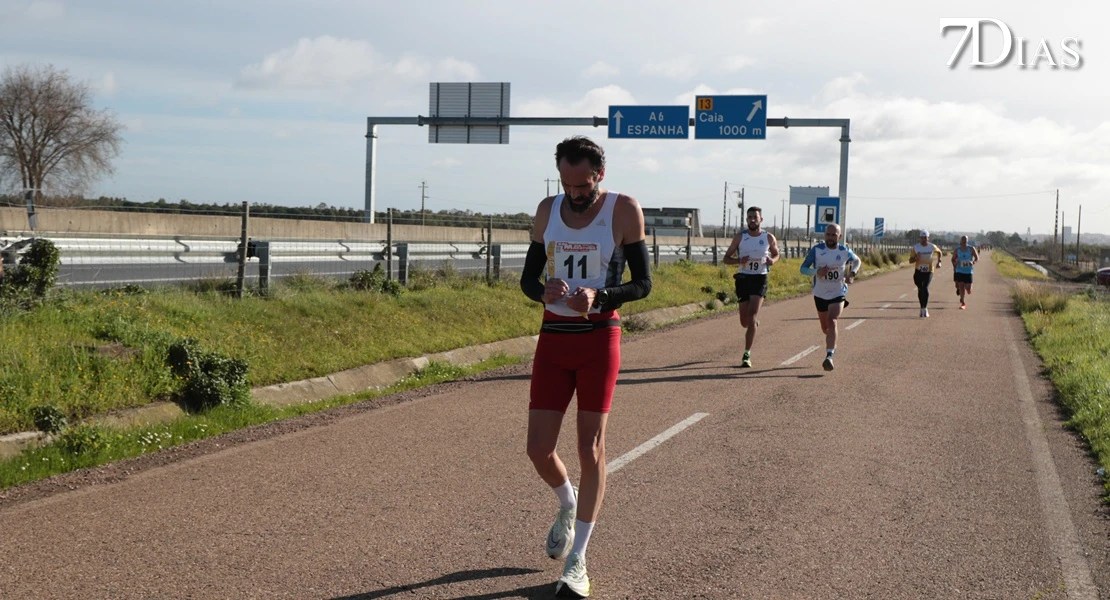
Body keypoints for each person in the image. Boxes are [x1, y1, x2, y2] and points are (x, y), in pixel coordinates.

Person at [519, 136, 652, 599]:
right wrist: (544, 292)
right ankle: (566, 502)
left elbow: (644, 285)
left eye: (584, 183)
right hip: (554, 337)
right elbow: (526, 279)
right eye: (567, 183)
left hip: (599, 338)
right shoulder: (546, 210)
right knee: (538, 449)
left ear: (601, 174)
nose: (575, 192)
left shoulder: (623, 210)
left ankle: (578, 560)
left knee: (590, 446)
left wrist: (602, 296)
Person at [722, 206, 780, 367]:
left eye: (755, 217)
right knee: (744, 321)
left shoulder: (768, 237)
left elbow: (776, 254)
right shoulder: (740, 237)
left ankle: (746, 354)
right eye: (749, 217)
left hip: (760, 279)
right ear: (747, 220)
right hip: (743, 278)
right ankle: (752, 325)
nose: (752, 220)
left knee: (752, 315)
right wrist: (738, 261)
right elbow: (726, 258)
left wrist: (772, 261)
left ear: (761, 219)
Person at [800, 223, 861, 371]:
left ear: (839, 236)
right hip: (820, 294)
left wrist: (852, 274)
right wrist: (816, 272)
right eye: (828, 234)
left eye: (834, 235)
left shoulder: (844, 251)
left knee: (832, 321)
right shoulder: (817, 250)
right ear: (824, 235)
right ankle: (831, 339)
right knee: (825, 327)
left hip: (838, 293)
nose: (831, 237)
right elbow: (803, 269)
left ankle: (829, 356)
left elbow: (857, 261)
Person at [909, 230, 943, 318]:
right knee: (920, 289)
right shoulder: (916, 248)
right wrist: (916, 258)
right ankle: (921, 307)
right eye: (922, 238)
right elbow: (910, 260)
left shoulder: (932, 246)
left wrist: (939, 261)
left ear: (928, 238)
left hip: (929, 271)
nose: (924, 240)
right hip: (918, 271)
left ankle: (925, 308)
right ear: (920, 238)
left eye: (925, 238)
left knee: (925, 287)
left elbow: (939, 252)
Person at [951, 235, 980, 309]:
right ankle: (963, 302)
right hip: (959, 270)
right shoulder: (957, 250)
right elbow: (953, 259)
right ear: (961, 241)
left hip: (968, 271)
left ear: (967, 241)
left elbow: (977, 258)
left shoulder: (971, 249)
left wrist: (973, 262)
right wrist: (955, 264)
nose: (964, 241)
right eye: (963, 240)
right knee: (961, 286)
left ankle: (968, 290)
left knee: (968, 288)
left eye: (965, 240)